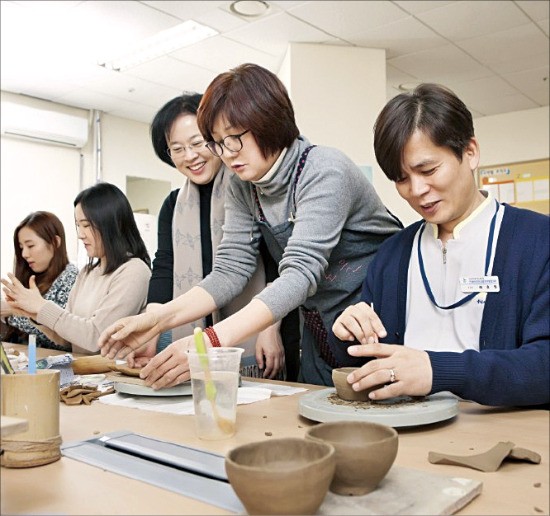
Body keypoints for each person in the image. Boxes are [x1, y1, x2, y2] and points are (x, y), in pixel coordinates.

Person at [98, 63, 403, 388]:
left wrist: (207, 343)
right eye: (217, 142)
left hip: (377, 315)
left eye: (234, 139)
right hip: (320, 327)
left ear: (269, 123)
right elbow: (230, 270)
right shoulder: (244, 184)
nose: (226, 155)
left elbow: (300, 273)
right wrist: (155, 320)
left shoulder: (324, 170)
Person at [329, 83, 549, 407]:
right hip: (405, 433)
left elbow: (543, 364)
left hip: (500, 435)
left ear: (470, 153)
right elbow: (372, 367)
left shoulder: (537, 241)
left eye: (428, 169)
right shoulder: (392, 256)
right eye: (401, 179)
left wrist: (438, 371)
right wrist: (349, 337)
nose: (417, 190)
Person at [141, 93, 300, 380]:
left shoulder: (250, 189)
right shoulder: (173, 205)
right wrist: (151, 328)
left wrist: (269, 328)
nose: (190, 156)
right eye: (176, 149)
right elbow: (164, 268)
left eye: (197, 143)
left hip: (266, 324)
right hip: (199, 332)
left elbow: (281, 264)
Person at [2, 182, 152, 355]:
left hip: (112, 376)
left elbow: (97, 337)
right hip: (85, 374)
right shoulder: (87, 273)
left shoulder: (134, 271)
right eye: (78, 226)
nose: (80, 234)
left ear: (111, 223)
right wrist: (36, 315)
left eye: (86, 225)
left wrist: (42, 306)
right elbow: (67, 340)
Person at [1, 211, 78, 350]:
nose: (24, 254)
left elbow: (59, 334)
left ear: (55, 242)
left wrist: (11, 312)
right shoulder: (30, 276)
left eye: (30, 246)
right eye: (21, 248)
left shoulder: (72, 278)